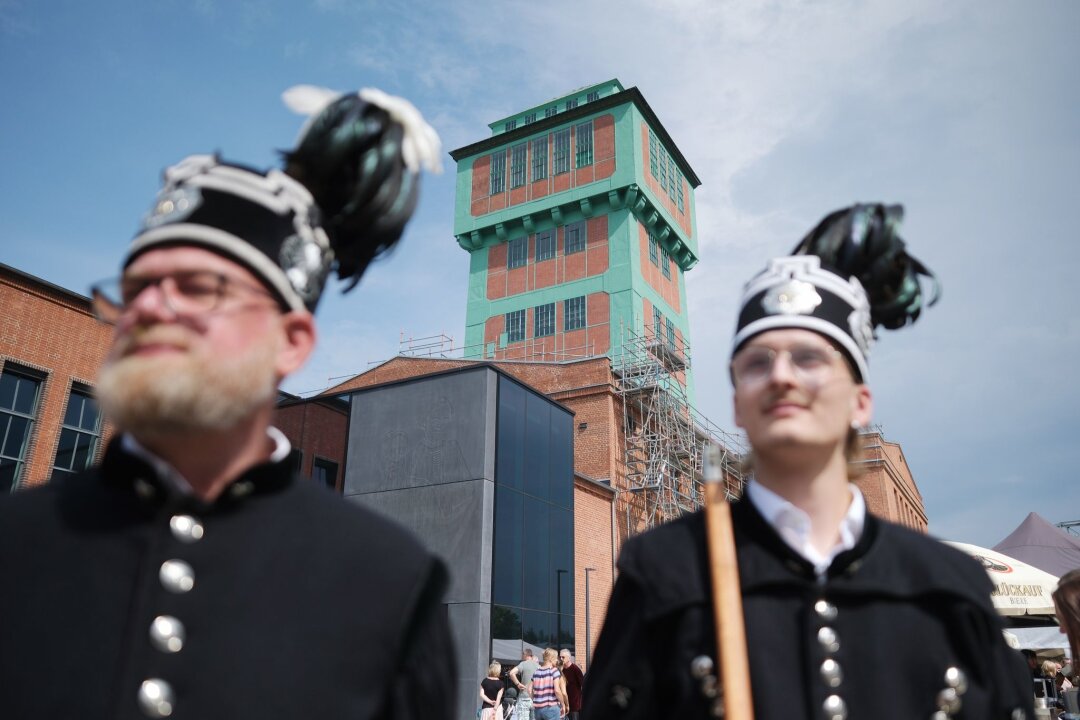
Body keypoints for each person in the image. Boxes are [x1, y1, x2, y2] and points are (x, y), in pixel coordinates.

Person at [0, 86, 449, 719]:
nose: (150, 308)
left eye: (197, 288)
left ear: (291, 343)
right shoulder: (15, 545)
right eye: (137, 287)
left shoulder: (390, 584)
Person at [581, 205, 1034, 720]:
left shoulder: (948, 588)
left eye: (809, 358)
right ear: (737, 402)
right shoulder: (664, 571)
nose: (781, 376)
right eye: (757, 362)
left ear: (861, 401)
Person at [532, 648, 569, 720]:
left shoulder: (536, 671)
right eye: (555, 658)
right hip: (551, 708)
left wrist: (535, 700)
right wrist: (563, 705)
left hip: (538, 709)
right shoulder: (554, 671)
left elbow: (529, 690)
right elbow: (557, 691)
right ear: (551, 659)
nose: (556, 660)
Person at [510, 648, 540, 720]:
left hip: (524, 697)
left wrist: (518, 684)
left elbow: (511, 673)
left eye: (522, 654)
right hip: (535, 698)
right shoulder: (538, 666)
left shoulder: (523, 664)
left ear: (525, 655)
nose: (522, 656)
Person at [559, 649, 584, 720]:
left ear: (569, 658)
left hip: (574, 705)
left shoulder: (575, 670)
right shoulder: (561, 670)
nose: (561, 659)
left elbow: (583, 685)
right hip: (563, 704)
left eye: (563, 657)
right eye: (560, 657)